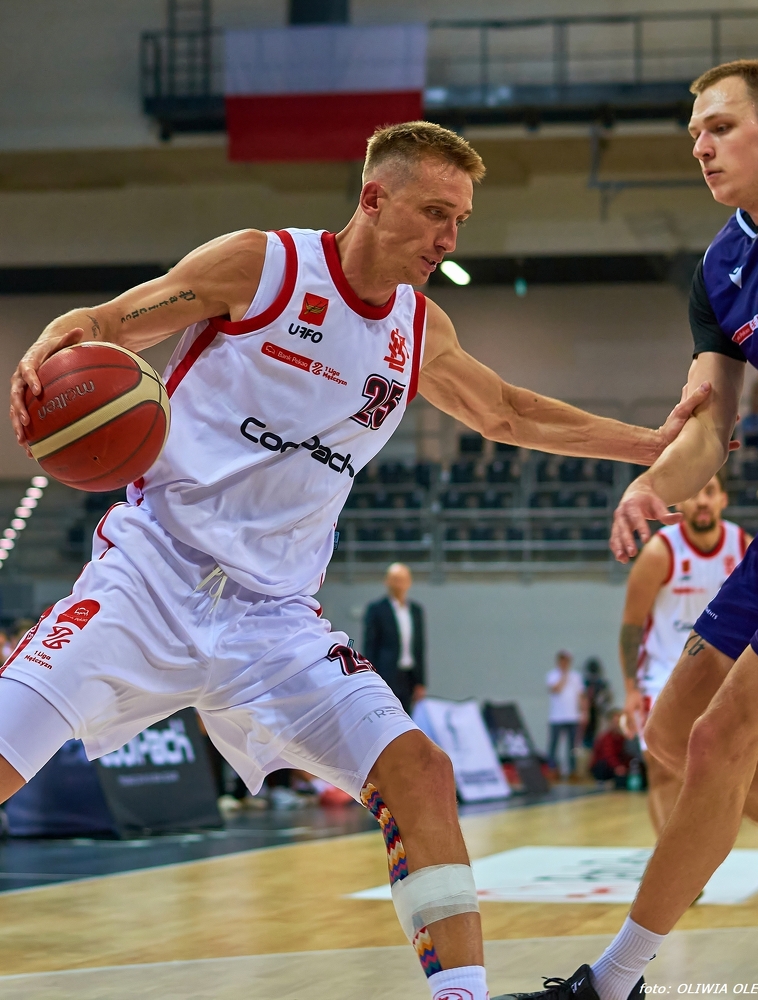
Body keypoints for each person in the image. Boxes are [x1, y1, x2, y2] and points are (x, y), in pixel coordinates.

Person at [6, 120, 708, 1000]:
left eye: (460, 220)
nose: (449, 238)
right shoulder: (263, 266)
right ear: (373, 197)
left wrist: (646, 442)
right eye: (434, 213)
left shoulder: (418, 328)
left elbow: (506, 413)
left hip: (275, 622)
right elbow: (111, 323)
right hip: (149, 577)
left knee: (420, 772)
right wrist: (55, 343)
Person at [494, 59, 758, 1000]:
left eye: (719, 126)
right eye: (692, 134)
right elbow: (710, 425)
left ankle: (611, 982)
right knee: (671, 736)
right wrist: (650, 487)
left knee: (720, 742)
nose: (699, 146)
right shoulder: (720, 268)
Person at [619, 474, 750, 834]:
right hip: (663, 673)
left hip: (723, 674)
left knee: (721, 776)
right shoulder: (660, 552)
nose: (702, 501)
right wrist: (630, 689)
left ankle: (698, 853)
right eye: (693, 493)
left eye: (709, 491)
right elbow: (631, 625)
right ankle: (670, 862)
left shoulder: (743, 547)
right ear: (679, 501)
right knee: (662, 769)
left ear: (723, 499)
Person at [363, 562, 427, 714]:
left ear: (409, 582)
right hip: (386, 673)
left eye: (403, 580)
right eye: (395, 579)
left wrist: (420, 681)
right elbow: (370, 646)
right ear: (387, 581)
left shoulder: (416, 611)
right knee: (387, 713)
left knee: (407, 715)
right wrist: (372, 677)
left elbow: (419, 647)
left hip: (409, 674)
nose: (399, 584)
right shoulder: (377, 610)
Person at [546, 650, 585, 780]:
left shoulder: (576, 676)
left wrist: (583, 712)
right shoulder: (552, 675)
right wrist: (563, 676)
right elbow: (556, 689)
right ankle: (552, 768)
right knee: (553, 745)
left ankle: (572, 770)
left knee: (573, 746)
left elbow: (580, 695)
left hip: (573, 716)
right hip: (557, 717)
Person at [589, 710, 632, 789]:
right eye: (615, 722)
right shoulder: (606, 738)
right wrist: (617, 766)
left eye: (618, 722)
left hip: (614, 765)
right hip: (603, 766)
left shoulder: (622, 738)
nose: (616, 724)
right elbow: (608, 755)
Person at [582, 657, 612, 749]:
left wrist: (602, 704)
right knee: (587, 736)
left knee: (598, 735)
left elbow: (607, 697)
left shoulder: (602, 683)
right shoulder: (585, 683)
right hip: (588, 712)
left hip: (598, 712)